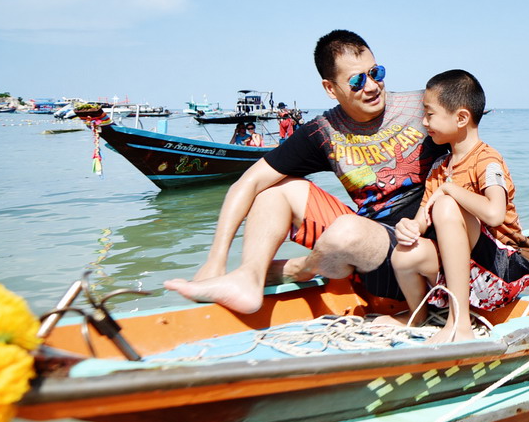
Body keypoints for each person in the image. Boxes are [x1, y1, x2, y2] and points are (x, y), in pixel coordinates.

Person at [164, 30, 447, 314]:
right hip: (367, 258)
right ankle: (248, 279)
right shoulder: (323, 132)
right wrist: (216, 259)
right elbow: (246, 184)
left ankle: (301, 268)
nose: (372, 86)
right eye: (357, 81)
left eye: (376, 72)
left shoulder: (424, 107)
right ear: (330, 88)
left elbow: (473, 158)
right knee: (274, 189)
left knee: (347, 231)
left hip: (417, 258)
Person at [389, 70, 529, 343]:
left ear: (461, 118)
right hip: (467, 270)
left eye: (430, 114)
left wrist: (449, 189)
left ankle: (460, 325)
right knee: (403, 255)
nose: (424, 121)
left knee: (445, 204)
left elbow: (495, 213)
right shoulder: (439, 167)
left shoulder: (487, 160)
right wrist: (408, 227)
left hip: (503, 274)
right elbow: (422, 220)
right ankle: (418, 316)